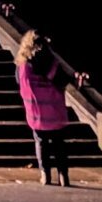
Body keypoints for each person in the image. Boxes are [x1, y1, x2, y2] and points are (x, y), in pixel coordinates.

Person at [16, 30, 82, 186]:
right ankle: (63, 176)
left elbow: (19, 82)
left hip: (36, 112)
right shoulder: (49, 62)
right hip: (55, 111)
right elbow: (61, 80)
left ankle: (45, 174)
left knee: (41, 143)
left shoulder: (22, 66)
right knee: (59, 144)